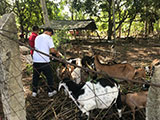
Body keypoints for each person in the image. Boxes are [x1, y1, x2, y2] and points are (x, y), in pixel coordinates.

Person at [32, 27, 60, 97]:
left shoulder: (37, 37)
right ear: (49, 32)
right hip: (44, 61)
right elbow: (52, 50)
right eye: (50, 34)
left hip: (36, 60)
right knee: (49, 77)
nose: (50, 36)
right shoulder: (48, 38)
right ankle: (50, 92)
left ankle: (34, 92)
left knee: (35, 77)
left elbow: (41, 48)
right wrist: (57, 53)